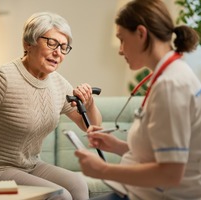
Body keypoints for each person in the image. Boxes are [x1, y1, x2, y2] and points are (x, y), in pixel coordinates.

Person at [0, 12, 102, 200]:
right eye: (51, 43)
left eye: (63, 47)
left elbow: (92, 129)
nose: (58, 52)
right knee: (60, 196)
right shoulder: (3, 78)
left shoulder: (59, 84)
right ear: (28, 43)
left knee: (78, 185)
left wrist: (90, 103)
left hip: (30, 166)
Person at [75, 0, 201, 199]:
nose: (120, 49)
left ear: (141, 34)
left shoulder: (170, 85)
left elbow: (170, 173)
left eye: (122, 39)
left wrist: (102, 170)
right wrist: (116, 146)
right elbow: (158, 154)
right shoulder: (169, 76)